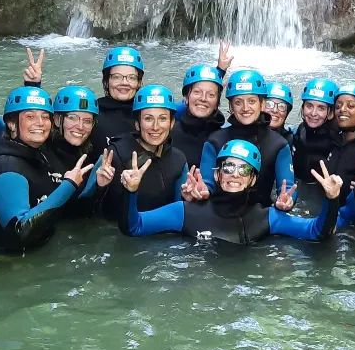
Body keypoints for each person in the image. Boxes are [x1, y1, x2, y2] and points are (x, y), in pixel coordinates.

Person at [0, 38, 103, 206]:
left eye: (87, 120)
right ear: (58, 120)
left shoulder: (90, 150)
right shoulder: (41, 143)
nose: (80, 126)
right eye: (72, 117)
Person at [119, 140, 342, 245]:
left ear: (253, 179)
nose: (235, 175)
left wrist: (332, 200)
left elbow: (316, 232)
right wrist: (131, 192)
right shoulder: (185, 212)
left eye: (243, 169)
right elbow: (134, 227)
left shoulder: (266, 217)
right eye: (228, 167)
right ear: (217, 175)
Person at [0, 87, 95, 254]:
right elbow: (20, 232)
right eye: (30, 117)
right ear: (12, 123)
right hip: (1, 265)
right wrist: (69, 184)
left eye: (45, 117)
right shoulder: (6, 168)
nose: (40, 123)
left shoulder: (38, 155)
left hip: (35, 255)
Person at [200, 69, 295, 207]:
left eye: (251, 101)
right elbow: (207, 184)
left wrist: (287, 201)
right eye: (238, 102)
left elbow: (287, 187)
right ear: (231, 107)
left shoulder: (278, 144)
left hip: (260, 218)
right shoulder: (215, 140)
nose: (245, 108)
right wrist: (202, 192)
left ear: (262, 104)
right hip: (219, 214)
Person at [99, 84, 187, 220]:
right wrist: (101, 187)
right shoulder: (115, 155)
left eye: (163, 118)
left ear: (172, 123)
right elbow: (93, 213)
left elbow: (179, 210)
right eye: (148, 118)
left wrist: (191, 198)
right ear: (137, 124)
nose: (156, 127)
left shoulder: (178, 159)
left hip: (163, 233)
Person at [88, 45, 145, 155]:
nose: (124, 83)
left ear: (139, 82)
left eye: (131, 77)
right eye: (117, 77)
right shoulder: (92, 112)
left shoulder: (148, 113)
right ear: (106, 81)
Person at [170, 63, 226, 167]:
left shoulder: (226, 139)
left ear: (217, 103)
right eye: (197, 92)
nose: (203, 98)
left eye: (211, 95)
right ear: (186, 97)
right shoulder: (167, 135)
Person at [291, 78, 338, 187]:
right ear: (303, 107)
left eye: (321, 108)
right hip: (297, 184)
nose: (313, 113)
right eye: (309, 106)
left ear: (330, 113)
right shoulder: (301, 129)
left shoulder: (336, 139)